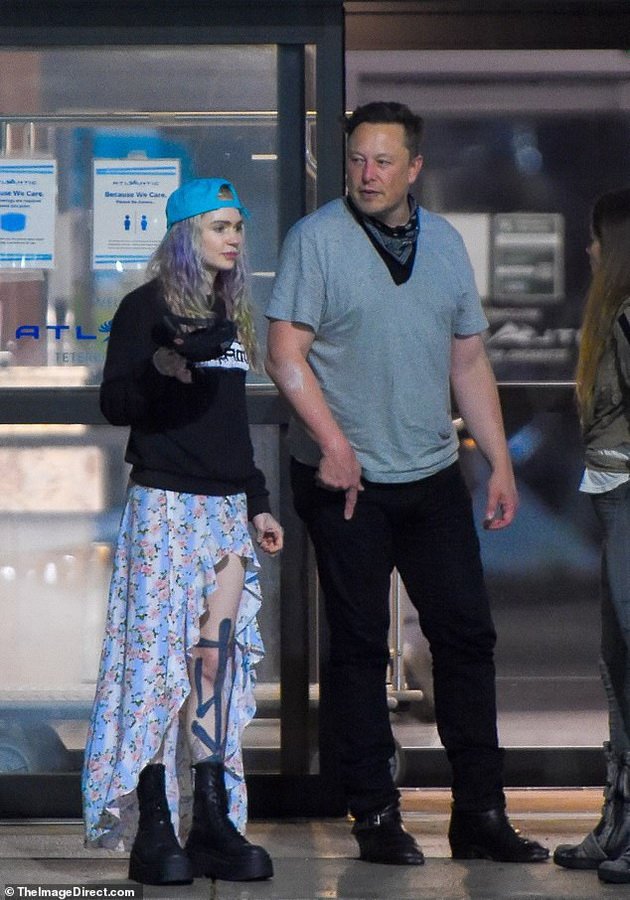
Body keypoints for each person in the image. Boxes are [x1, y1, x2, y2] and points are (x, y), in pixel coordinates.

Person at [265, 101, 549, 866]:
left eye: (383, 160)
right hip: (342, 477)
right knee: (358, 646)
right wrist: (332, 444)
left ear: (414, 168)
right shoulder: (316, 241)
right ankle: (374, 813)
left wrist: (499, 463)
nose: (367, 173)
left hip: (428, 472)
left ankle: (480, 813)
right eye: (358, 158)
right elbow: (284, 353)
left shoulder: (448, 245)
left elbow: (468, 363)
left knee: (466, 635)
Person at [82, 177, 283, 886]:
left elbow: (230, 427)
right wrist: (167, 368)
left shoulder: (230, 316)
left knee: (214, 664)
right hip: (166, 504)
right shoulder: (147, 309)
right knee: (155, 668)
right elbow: (117, 401)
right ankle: (153, 821)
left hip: (224, 509)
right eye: (219, 226)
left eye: (237, 226)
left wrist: (257, 501)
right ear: (185, 234)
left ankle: (212, 817)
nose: (233, 237)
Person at [554, 188, 630, 885]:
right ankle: (619, 821)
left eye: (597, 241)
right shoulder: (613, 320)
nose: (589, 252)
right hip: (615, 500)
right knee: (618, 670)